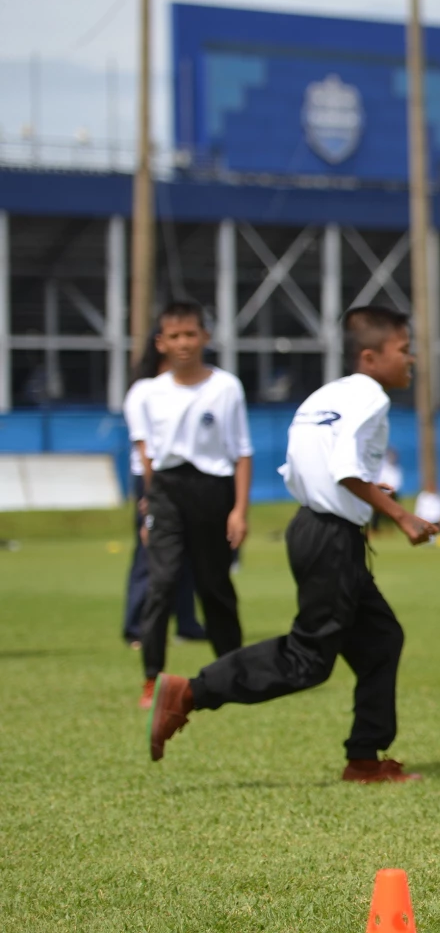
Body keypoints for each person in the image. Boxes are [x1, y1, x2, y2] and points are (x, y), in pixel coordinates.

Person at [146, 307, 440, 781]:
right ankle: (191, 692)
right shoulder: (372, 399)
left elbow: (303, 463)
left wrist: (362, 492)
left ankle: (364, 758)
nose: (412, 360)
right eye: (405, 350)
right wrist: (402, 515)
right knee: (307, 659)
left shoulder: (325, 396)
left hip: (311, 526)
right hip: (331, 537)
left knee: (381, 638)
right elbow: (345, 468)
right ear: (370, 356)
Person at [135, 302, 252, 707]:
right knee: (162, 584)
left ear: (205, 336)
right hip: (168, 491)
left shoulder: (226, 387)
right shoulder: (151, 393)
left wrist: (239, 510)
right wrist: (149, 505)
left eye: (190, 334)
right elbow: (149, 459)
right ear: (161, 343)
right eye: (174, 336)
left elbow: (241, 452)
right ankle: (153, 679)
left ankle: (231, 672)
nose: (183, 343)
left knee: (214, 584)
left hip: (213, 491)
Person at [122, 333, 205, 647]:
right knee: (150, 553)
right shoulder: (145, 391)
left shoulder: (197, 388)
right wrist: (151, 493)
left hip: (185, 480)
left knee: (187, 555)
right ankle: (136, 626)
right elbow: (146, 450)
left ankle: (187, 623)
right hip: (152, 479)